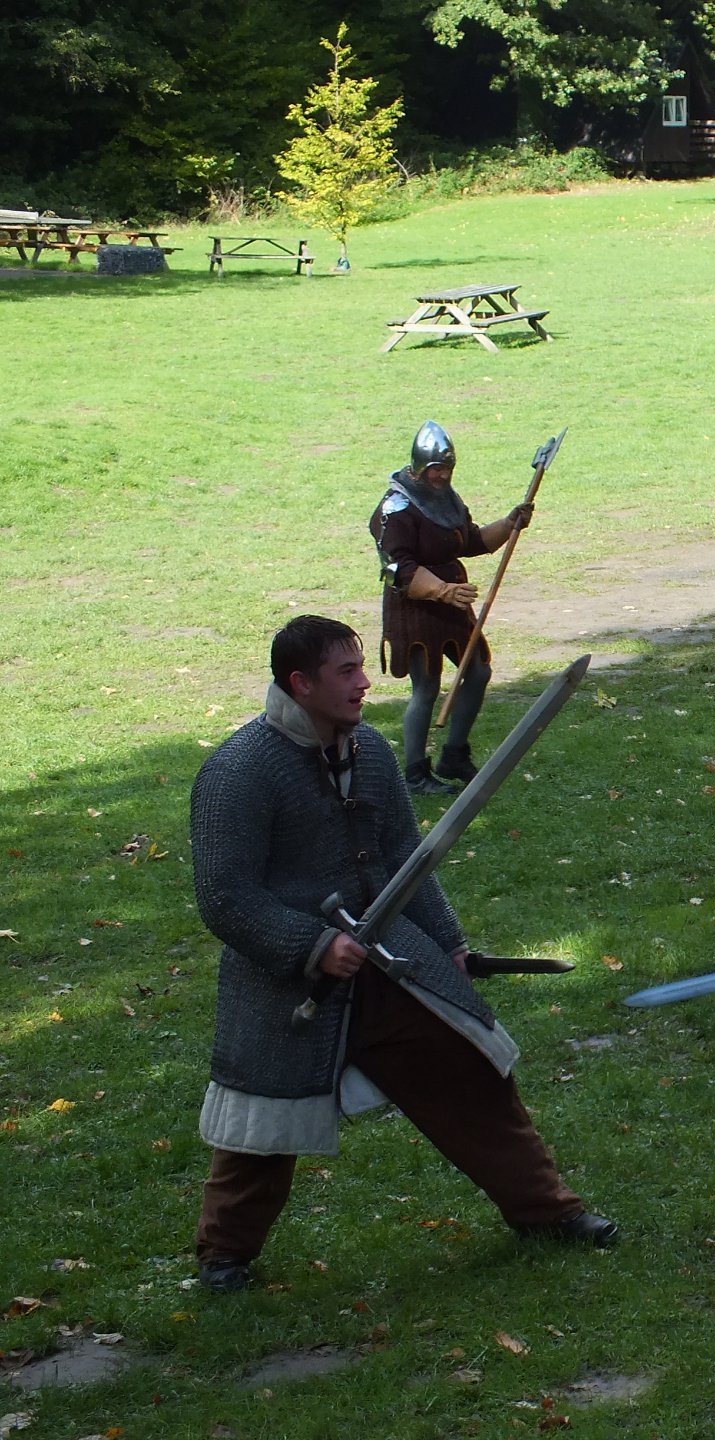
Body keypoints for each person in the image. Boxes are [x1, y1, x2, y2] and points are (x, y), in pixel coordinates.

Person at [188, 614, 615, 1294]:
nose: (364, 683)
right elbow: (225, 896)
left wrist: (447, 943)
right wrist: (312, 945)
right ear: (301, 684)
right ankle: (224, 1256)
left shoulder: (372, 754)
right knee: (261, 1124)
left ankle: (548, 1213)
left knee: (470, 1074)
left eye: (361, 666)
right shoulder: (239, 771)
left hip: (390, 959)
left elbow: (404, 860)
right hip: (285, 981)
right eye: (346, 672)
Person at [369, 420, 533, 795]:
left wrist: (510, 524)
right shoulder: (395, 508)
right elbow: (396, 569)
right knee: (426, 687)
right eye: (435, 469)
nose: (442, 475)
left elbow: (469, 540)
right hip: (416, 605)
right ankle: (415, 772)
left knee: (477, 671)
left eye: (447, 468)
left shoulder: (445, 498)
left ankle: (454, 754)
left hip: (452, 600)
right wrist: (441, 591)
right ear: (419, 467)